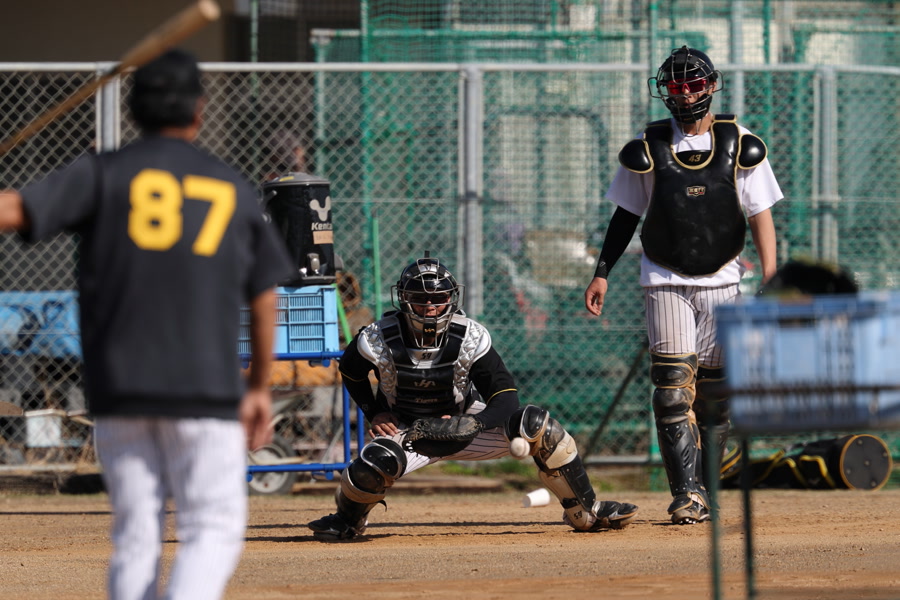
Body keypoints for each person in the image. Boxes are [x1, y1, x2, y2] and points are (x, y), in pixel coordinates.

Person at [0, 49, 295, 598]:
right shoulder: (227, 185)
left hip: (121, 386)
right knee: (211, 528)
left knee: (136, 537)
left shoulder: (102, 173)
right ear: (199, 110)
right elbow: (263, 293)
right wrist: (258, 385)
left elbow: (12, 211)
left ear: (133, 111)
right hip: (204, 386)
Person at [308, 253, 639, 541]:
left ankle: (586, 512)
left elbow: (506, 397)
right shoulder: (378, 337)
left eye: (438, 298)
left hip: (465, 422)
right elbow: (351, 371)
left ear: (452, 298)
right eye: (419, 298)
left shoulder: (469, 336)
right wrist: (375, 411)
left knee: (539, 426)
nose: (429, 306)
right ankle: (347, 521)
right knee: (372, 464)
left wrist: (474, 423)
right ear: (403, 299)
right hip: (409, 431)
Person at [583, 46, 782, 525]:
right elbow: (626, 216)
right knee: (672, 388)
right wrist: (602, 271)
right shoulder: (648, 145)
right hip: (664, 276)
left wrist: (771, 275)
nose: (685, 93)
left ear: (710, 85)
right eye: (676, 85)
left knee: (715, 391)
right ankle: (687, 494)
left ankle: (708, 486)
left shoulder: (739, 142)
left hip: (724, 278)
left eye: (693, 83)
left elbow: (760, 214)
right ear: (664, 91)